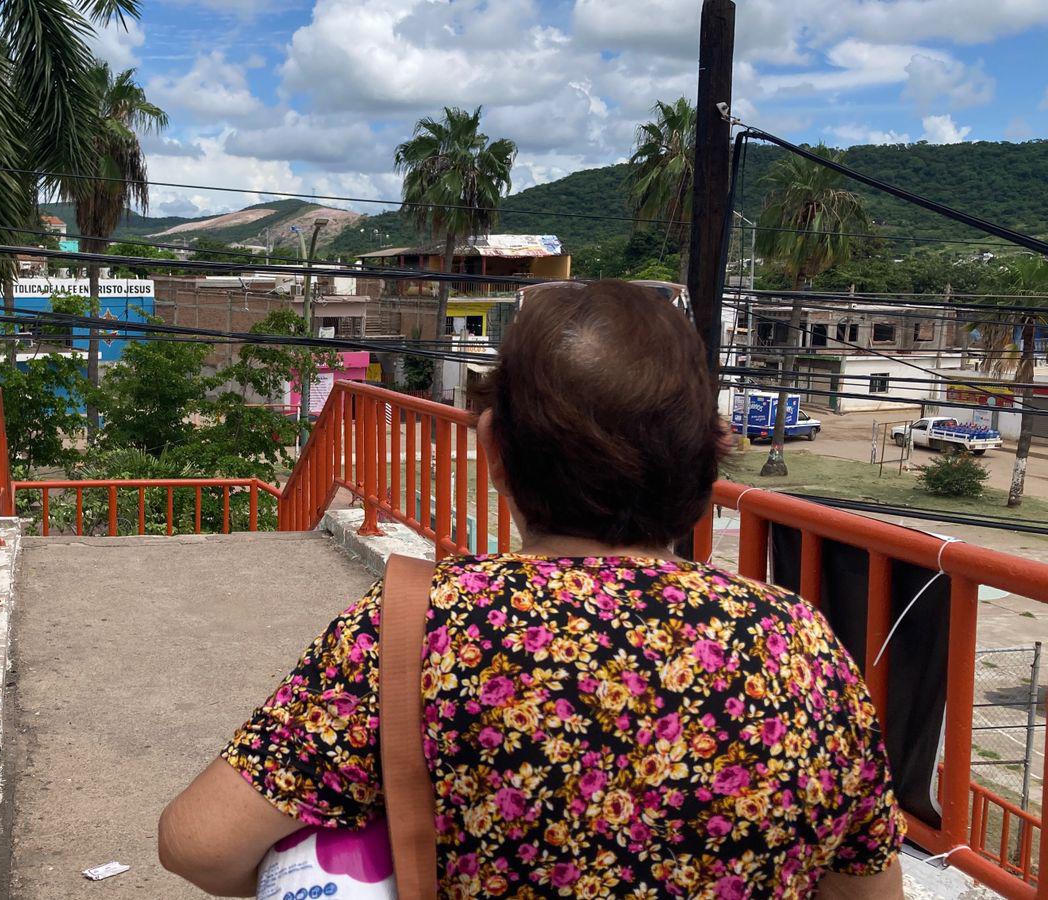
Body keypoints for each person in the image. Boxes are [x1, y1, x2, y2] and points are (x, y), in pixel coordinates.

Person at [159, 281, 904, 898]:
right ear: (712, 453)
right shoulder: (803, 648)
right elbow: (867, 884)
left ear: (492, 449)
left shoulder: (418, 628)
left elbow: (199, 846)